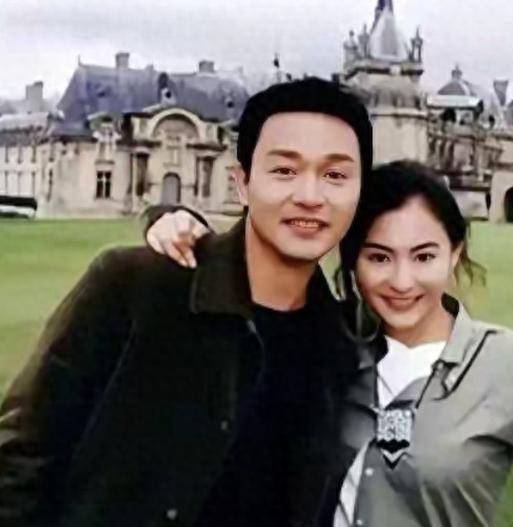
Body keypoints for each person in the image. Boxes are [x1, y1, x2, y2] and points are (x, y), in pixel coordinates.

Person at [148, 161, 513, 527]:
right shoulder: (329, 342)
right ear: (353, 264)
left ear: (455, 254)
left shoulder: (512, 369)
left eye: (424, 257)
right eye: (379, 258)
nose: (402, 281)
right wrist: (173, 220)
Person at [0, 77, 372, 527]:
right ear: (242, 183)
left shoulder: (345, 344)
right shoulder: (134, 287)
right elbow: (20, 458)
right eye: (284, 171)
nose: (310, 196)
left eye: (335, 175)